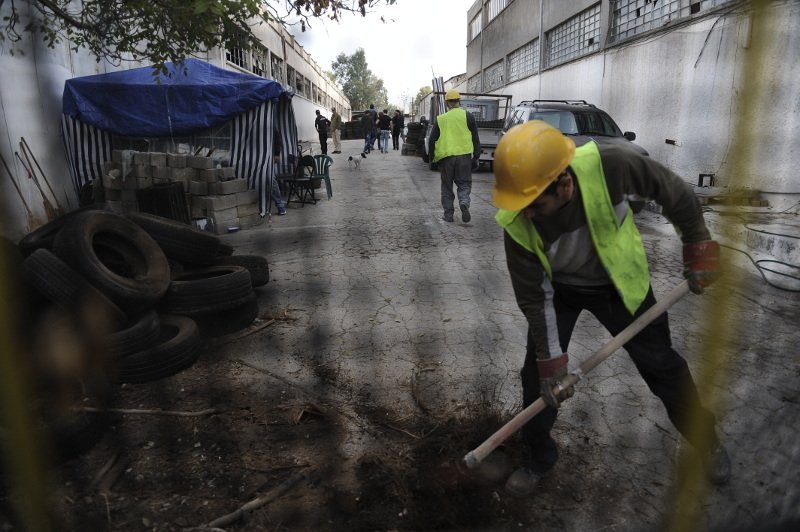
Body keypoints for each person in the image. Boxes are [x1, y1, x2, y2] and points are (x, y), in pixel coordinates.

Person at [490, 120, 730, 497]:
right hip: (560, 292)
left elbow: (675, 193)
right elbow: (534, 299)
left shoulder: (613, 164)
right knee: (537, 379)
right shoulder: (517, 221)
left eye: (536, 205)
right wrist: (552, 363)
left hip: (620, 286)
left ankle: (706, 441)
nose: (528, 216)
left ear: (565, 184)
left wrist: (698, 247)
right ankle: (538, 457)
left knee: (662, 367)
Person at [427, 89, 480, 223]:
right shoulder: (468, 116)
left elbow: (432, 139)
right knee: (464, 183)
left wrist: (431, 157)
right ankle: (463, 201)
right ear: (459, 101)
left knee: (447, 185)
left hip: (446, 158)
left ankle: (448, 214)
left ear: (447, 103)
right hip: (464, 157)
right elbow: (475, 138)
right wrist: (476, 157)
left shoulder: (441, 119)